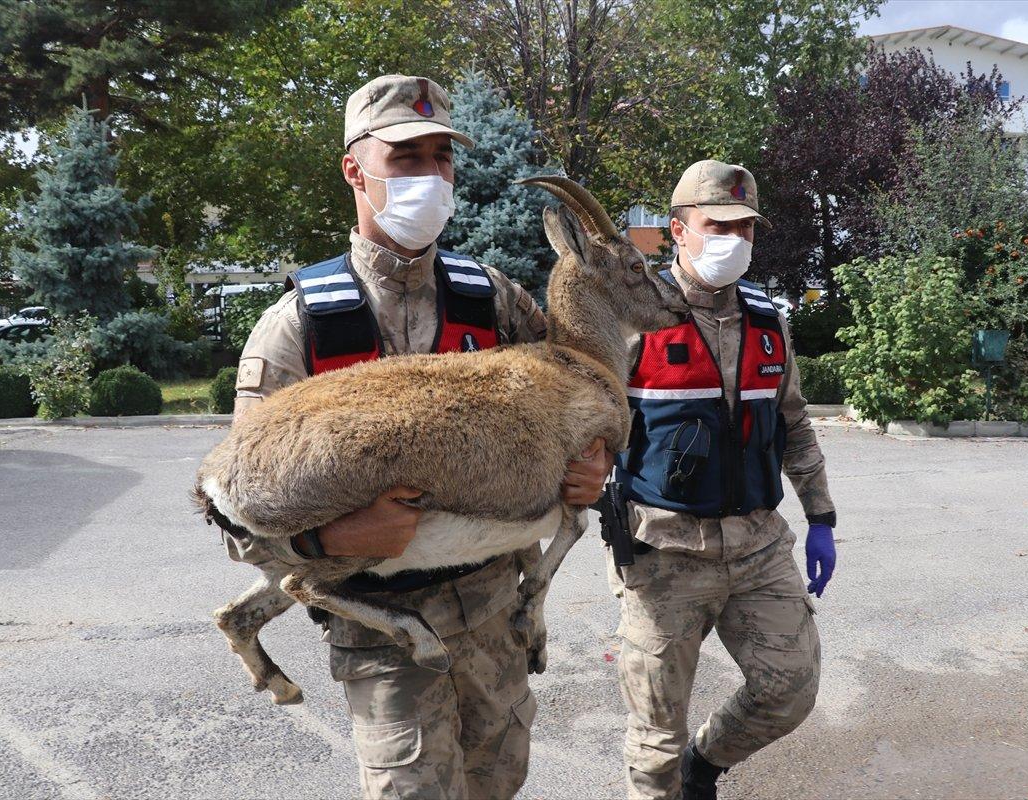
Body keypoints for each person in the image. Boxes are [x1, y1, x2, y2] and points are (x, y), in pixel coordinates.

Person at [223, 74, 610, 800]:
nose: (430, 176)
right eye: (405, 158)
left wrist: (594, 462)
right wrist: (327, 542)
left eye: (442, 157)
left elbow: (581, 395)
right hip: (383, 633)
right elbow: (237, 512)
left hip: (496, 612)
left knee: (498, 783)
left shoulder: (493, 300)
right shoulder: (300, 326)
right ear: (354, 169)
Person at [608, 159, 838, 800]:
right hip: (663, 554)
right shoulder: (633, 319)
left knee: (788, 690)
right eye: (718, 225)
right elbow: (589, 428)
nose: (733, 240)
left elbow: (793, 425)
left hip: (758, 546)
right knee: (654, 743)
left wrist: (821, 518)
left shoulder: (768, 322)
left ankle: (703, 766)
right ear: (677, 231)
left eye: (746, 228)